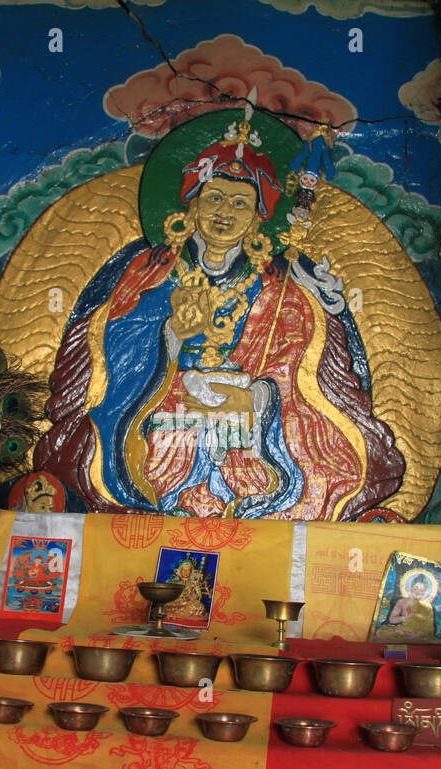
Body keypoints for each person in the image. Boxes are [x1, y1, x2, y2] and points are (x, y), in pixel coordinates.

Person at [34, 114, 404, 520]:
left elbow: (298, 367)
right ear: (190, 204)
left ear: (260, 217)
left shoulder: (281, 283)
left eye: (241, 203)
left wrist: (258, 398)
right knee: (148, 450)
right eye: (214, 197)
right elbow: (111, 348)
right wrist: (171, 334)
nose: (225, 212)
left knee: (323, 462)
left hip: (252, 426)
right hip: (159, 416)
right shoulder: (152, 267)